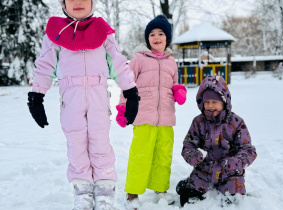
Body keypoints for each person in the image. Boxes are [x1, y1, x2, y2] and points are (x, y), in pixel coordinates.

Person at [26, 0, 140, 209]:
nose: (78, 2)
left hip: (98, 97)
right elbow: (44, 66)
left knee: (100, 143)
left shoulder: (102, 32)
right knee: (76, 144)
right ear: (63, 3)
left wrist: (131, 91)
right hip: (70, 100)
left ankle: (105, 190)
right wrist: (36, 96)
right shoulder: (56, 34)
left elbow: (119, 63)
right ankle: (83, 190)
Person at [115, 15, 187, 209]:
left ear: (167, 38)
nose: (156, 37)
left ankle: (161, 189)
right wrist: (123, 107)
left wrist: (179, 90)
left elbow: (174, 83)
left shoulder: (172, 61)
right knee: (141, 155)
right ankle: (132, 194)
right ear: (147, 38)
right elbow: (127, 84)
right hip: (143, 116)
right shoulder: (139, 58)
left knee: (163, 155)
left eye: (161, 33)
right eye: (152, 34)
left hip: (166, 118)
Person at [176, 75, 257, 206]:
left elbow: (248, 149)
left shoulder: (236, 122)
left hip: (230, 171)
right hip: (205, 169)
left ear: (224, 102)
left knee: (233, 201)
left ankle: (230, 191)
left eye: (215, 102)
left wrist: (237, 162)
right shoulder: (199, 122)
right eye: (207, 102)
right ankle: (189, 184)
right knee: (187, 197)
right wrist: (193, 155)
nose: (210, 106)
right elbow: (188, 144)